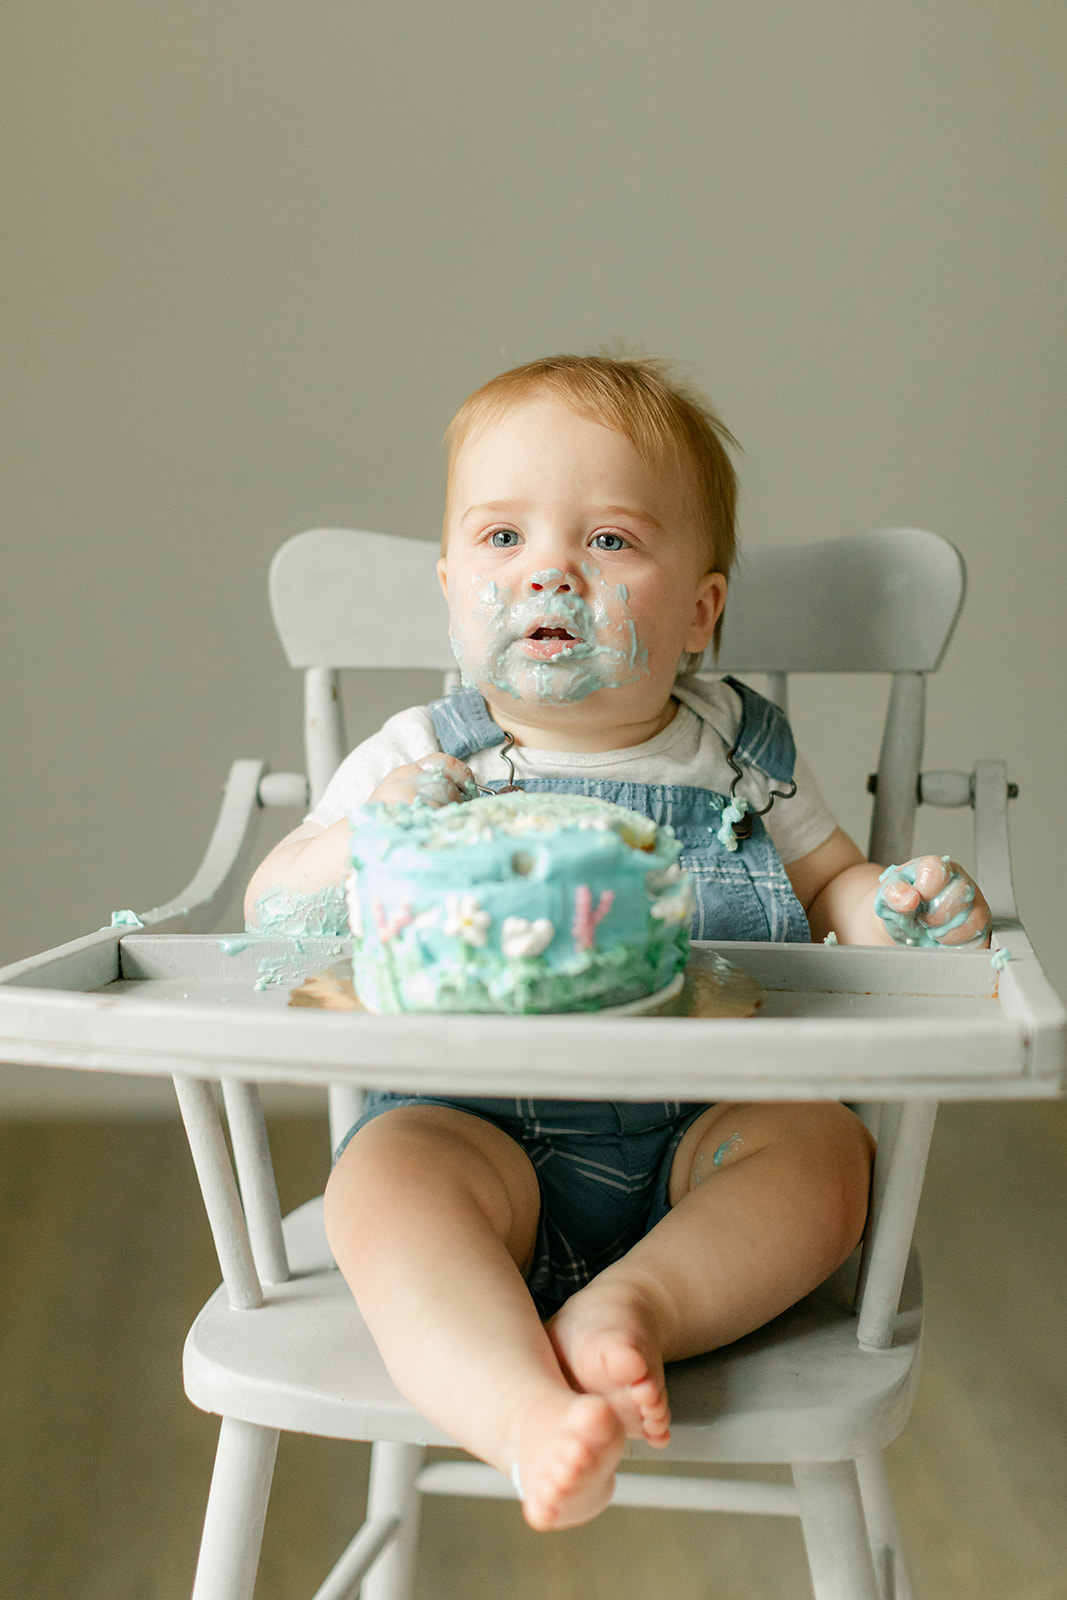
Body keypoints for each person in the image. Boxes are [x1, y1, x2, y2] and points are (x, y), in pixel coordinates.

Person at [245, 355, 991, 1531]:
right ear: (449, 589)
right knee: (380, 1187)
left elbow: (831, 881)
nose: (548, 567)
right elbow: (273, 909)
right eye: (501, 537)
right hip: (471, 1128)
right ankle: (517, 1409)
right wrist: (368, 843)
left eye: (607, 541)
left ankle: (632, 1308)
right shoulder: (417, 761)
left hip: (708, 1130)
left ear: (699, 609)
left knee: (828, 1159)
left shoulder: (739, 753)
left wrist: (892, 909)